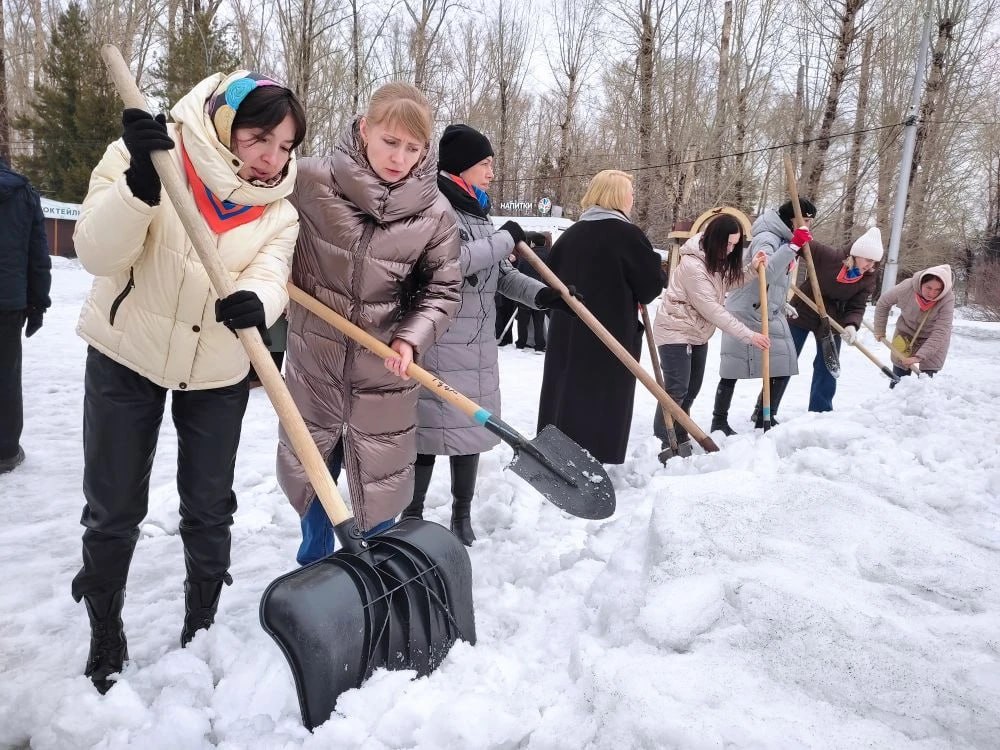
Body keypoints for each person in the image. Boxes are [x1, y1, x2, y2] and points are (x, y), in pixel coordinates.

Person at [71, 71, 306, 693]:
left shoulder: (277, 210)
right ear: (227, 124)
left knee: (208, 504)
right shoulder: (145, 154)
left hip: (217, 369)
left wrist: (258, 302)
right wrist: (137, 191)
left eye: (285, 147)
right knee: (113, 504)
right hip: (128, 352)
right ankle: (104, 628)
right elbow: (95, 254)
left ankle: (201, 622)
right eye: (260, 137)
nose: (271, 158)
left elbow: (272, 274)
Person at [278, 83, 462, 565]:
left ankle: (373, 571)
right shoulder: (308, 180)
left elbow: (441, 289)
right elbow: (265, 235)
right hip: (315, 359)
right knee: (313, 466)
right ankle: (314, 564)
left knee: (379, 479)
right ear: (364, 129)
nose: (399, 157)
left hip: (385, 369)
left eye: (412, 148)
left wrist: (411, 338)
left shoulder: (436, 212)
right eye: (389, 141)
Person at [402, 124, 570, 545]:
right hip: (438, 340)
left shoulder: (478, 211)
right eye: (485, 164)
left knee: (469, 434)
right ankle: (413, 513)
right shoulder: (435, 206)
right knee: (426, 433)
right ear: (462, 166)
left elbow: (503, 276)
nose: (492, 172)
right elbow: (453, 262)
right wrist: (504, 239)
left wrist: (544, 296)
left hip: (477, 346)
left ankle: (462, 515)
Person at [537, 169, 665, 464]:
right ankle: (594, 460)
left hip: (567, 334)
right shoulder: (628, 235)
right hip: (610, 336)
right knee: (601, 399)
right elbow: (649, 286)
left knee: (566, 392)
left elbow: (548, 280)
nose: (633, 199)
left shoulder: (571, 235)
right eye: (631, 193)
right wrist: (655, 267)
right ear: (618, 195)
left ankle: (559, 452)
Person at [651, 215, 769, 455]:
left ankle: (681, 432)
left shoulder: (714, 260)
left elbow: (727, 283)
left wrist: (753, 269)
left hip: (697, 334)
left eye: (735, 245)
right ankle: (668, 439)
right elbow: (713, 310)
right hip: (675, 331)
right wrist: (749, 336)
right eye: (728, 244)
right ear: (715, 238)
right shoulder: (693, 266)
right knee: (677, 389)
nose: (731, 249)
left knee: (692, 389)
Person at [713, 198, 815, 433]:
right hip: (747, 310)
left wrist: (781, 303)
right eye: (805, 220)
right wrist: (792, 248)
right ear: (792, 220)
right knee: (733, 367)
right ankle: (719, 421)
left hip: (768, 310)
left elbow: (778, 280)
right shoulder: (767, 237)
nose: (808, 226)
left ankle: (764, 414)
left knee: (783, 363)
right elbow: (765, 272)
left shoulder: (783, 237)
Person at [783, 227, 883, 413]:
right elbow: (801, 244)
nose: (871, 266)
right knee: (785, 360)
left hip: (832, 319)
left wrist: (852, 324)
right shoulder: (829, 256)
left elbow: (857, 306)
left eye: (874, 262)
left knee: (828, 366)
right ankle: (765, 408)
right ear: (856, 254)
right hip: (803, 310)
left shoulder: (868, 278)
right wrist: (798, 233)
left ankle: (821, 412)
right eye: (868, 260)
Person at [0, 158, 50, 474]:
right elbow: (37, 252)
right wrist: (37, 303)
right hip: (7, 302)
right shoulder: (22, 191)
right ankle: (5, 451)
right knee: (5, 376)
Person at [873, 264, 954, 380]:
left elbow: (941, 330)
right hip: (905, 333)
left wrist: (919, 356)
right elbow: (883, 303)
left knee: (926, 381)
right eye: (928, 288)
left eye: (937, 290)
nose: (931, 294)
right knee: (899, 378)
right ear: (921, 283)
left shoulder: (947, 298)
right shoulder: (907, 287)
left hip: (932, 338)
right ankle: (896, 395)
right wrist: (879, 330)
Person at [515, 232, 553, 353]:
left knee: (523, 320)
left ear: (532, 243)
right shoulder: (550, 255)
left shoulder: (526, 255)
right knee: (539, 320)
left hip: (525, 290)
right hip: (542, 291)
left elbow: (518, 272)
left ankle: (521, 342)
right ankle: (539, 345)